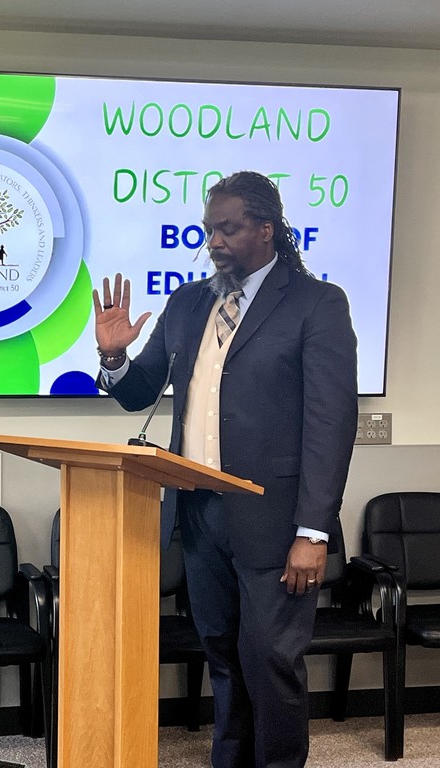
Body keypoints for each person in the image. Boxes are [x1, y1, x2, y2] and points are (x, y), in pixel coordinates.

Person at [93, 171, 357, 768]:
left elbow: (330, 424)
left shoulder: (317, 304)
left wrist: (313, 532)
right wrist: (114, 356)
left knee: (270, 662)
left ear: (267, 229)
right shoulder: (189, 303)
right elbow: (138, 393)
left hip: (276, 520)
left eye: (229, 228)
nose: (214, 240)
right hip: (200, 514)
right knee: (223, 658)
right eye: (210, 228)